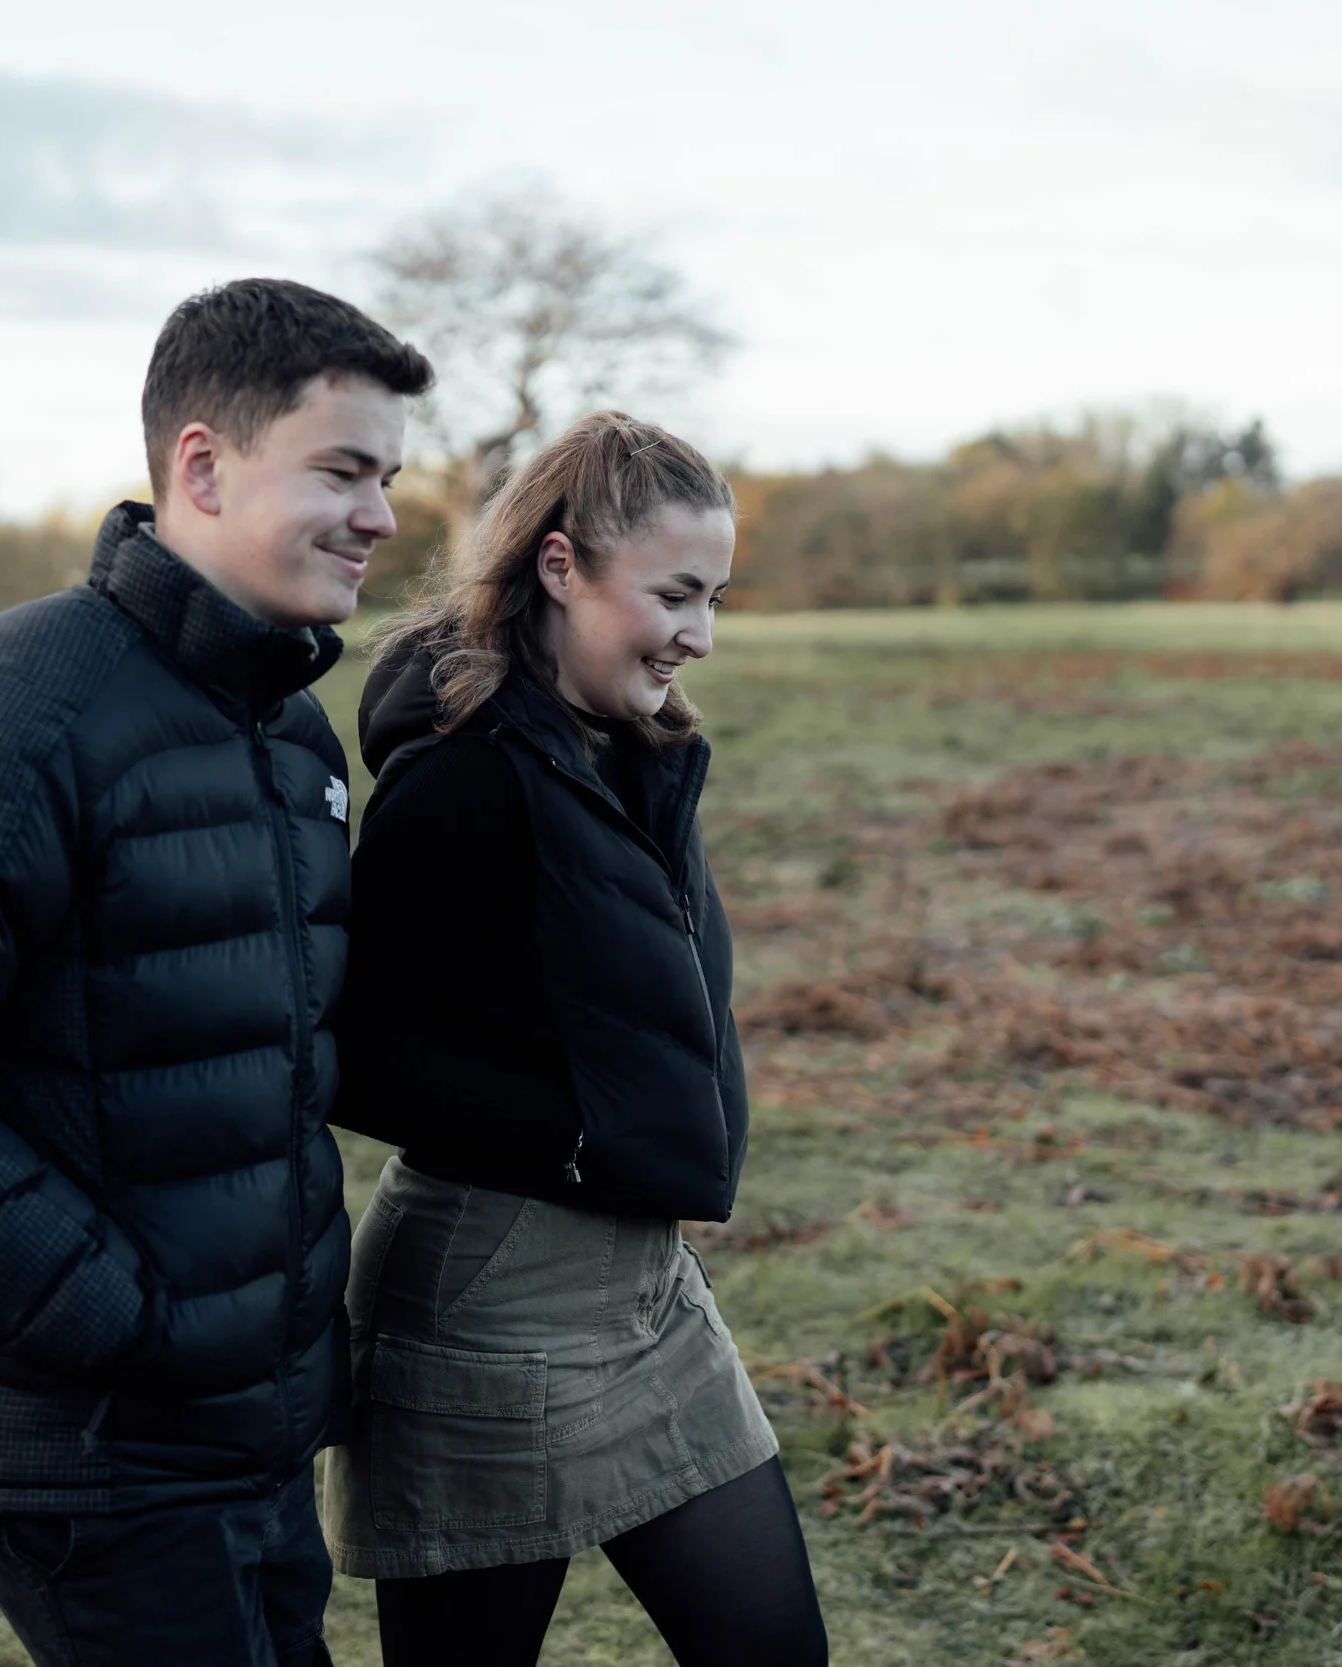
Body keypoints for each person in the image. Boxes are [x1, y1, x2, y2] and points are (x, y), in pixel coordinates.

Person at [0, 278, 432, 1667]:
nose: (382, 515)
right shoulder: (19, 703)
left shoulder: (293, 730)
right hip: (99, 1447)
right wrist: (119, 1315)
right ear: (201, 463)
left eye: (391, 477)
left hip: (250, 1423)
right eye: (346, 470)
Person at [327, 412, 830, 1666]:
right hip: (492, 1302)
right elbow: (355, 1044)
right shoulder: (464, 779)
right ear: (560, 567)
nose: (697, 634)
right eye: (673, 593)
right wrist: (576, 1139)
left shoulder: (632, 751)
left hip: (646, 1291)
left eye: (715, 597)